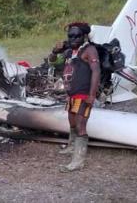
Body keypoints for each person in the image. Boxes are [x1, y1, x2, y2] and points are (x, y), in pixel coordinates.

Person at [48, 22, 101, 172]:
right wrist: (54, 51)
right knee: (72, 123)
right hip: (72, 95)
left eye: (77, 36)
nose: (73, 38)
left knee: (80, 125)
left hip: (83, 94)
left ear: (84, 36)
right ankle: (71, 147)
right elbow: (52, 62)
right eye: (70, 35)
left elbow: (96, 71)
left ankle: (78, 160)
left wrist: (92, 95)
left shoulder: (89, 50)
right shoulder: (70, 52)